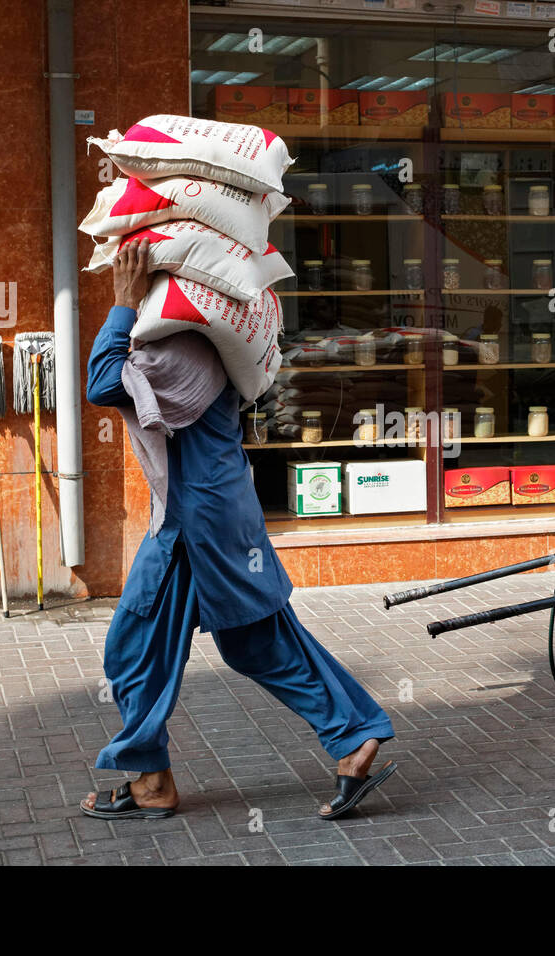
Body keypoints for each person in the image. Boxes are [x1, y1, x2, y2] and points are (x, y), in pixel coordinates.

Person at [80, 239, 396, 821]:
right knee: (256, 643)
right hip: (217, 514)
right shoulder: (204, 333)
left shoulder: (181, 342)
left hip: (194, 524)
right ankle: (355, 735)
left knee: (132, 650)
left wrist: (122, 305)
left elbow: (103, 382)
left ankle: (151, 780)